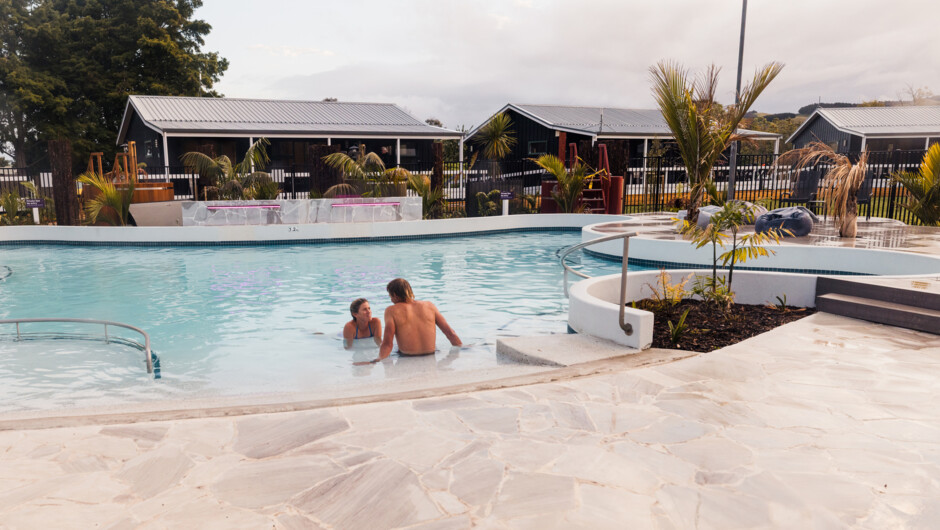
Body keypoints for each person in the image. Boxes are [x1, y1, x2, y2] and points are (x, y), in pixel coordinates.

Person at [374, 278, 461, 362]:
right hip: (431, 354)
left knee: (395, 348)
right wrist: (463, 348)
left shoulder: (391, 310)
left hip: (408, 358)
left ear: (395, 295)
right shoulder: (429, 305)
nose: (391, 300)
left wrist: (378, 359)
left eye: (390, 296)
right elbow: (450, 333)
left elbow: (387, 344)